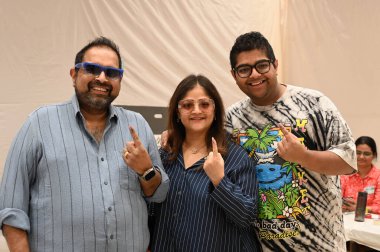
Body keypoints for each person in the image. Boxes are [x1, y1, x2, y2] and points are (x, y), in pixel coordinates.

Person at [0, 37, 169, 252]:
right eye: (92, 69)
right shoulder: (39, 124)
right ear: (74, 75)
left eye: (111, 73)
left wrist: (146, 170)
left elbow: (158, 193)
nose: (102, 78)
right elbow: (11, 208)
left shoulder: (137, 125)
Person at [225, 31, 357, 251]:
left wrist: (304, 157)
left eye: (262, 65)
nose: (254, 74)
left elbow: (348, 161)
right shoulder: (232, 118)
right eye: (244, 69)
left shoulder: (315, 104)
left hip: (320, 245)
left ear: (275, 65)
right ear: (234, 74)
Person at [151, 74, 261, 251]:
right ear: (177, 112)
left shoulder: (236, 158)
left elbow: (247, 216)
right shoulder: (165, 154)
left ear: (215, 110)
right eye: (187, 105)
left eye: (204, 104)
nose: (196, 110)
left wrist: (220, 181)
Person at [341, 136, 380, 214]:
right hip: (347, 220)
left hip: (371, 222)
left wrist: (359, 208)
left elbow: (378, 207)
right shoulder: (345, 174)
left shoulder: (378, 176)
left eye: (366, 154)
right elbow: (336, 201)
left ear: (374, 155)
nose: (361, 157)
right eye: (358, 153)